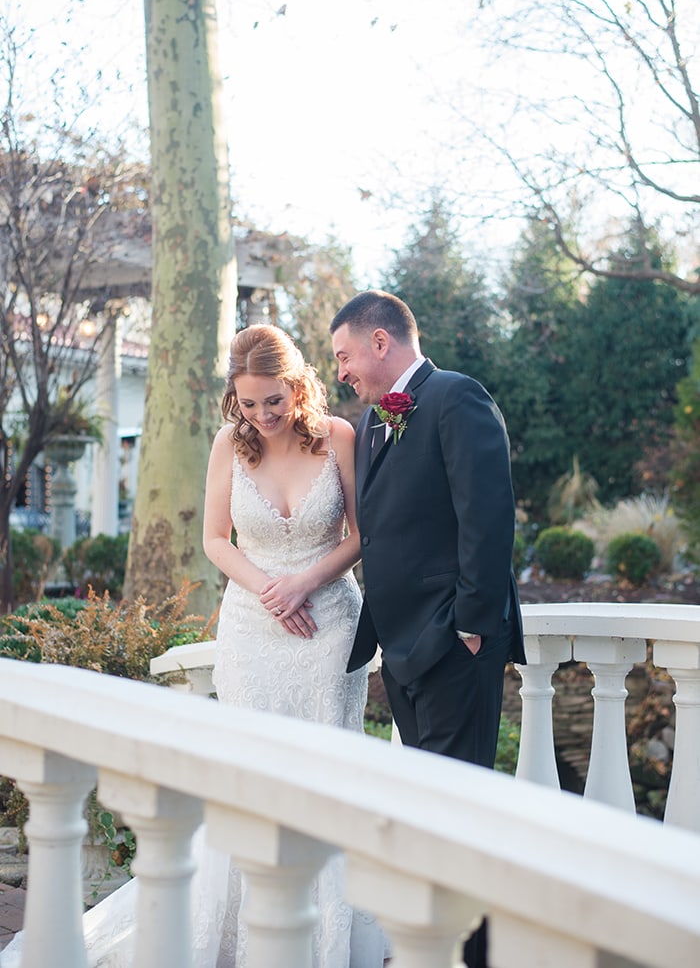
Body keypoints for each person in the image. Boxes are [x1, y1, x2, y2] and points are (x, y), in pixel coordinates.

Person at [2, 324, 387, 968]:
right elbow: (215, 540)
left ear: (297, 386)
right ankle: (235, 929)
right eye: (248, 402)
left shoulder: (339, 438)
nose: (262, 415)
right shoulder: (228, 446)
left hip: (326, 628)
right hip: (254, 628)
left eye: (274, 400)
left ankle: (323, 938)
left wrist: (307, 583)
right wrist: (272, 590)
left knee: (320, 774)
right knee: (248, 773)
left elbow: (361, 534)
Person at [330, 290, 526, 968]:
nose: (342, 372)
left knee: (458, 813)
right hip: (404, 650)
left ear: (380, 342)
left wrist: (471, 626)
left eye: (345, 355)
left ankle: (472, 959)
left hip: (454, 644)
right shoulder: (376, 422)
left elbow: (488, 515)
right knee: (432, 808)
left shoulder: (457, 397)